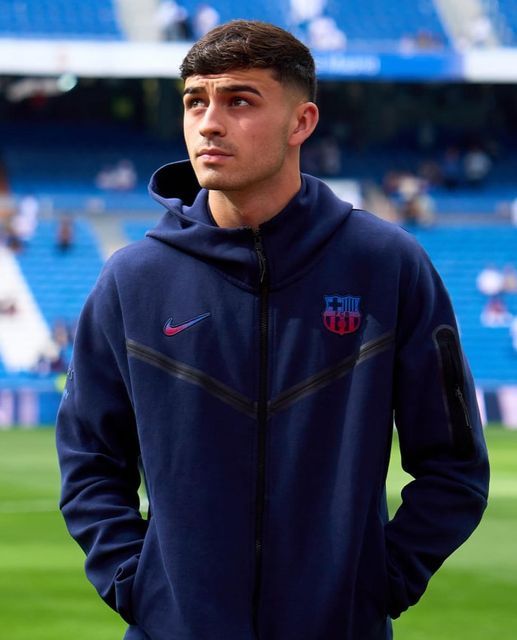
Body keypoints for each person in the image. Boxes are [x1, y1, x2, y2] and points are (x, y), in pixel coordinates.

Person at [56, 20, 489, 640]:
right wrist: (138, 584)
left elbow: (454, 466)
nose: (208, 122)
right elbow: (90, 460)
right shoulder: (133, 280)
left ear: (301, 122)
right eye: (194, 101)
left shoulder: (388, 265)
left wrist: (379, 583)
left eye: (239, 101)